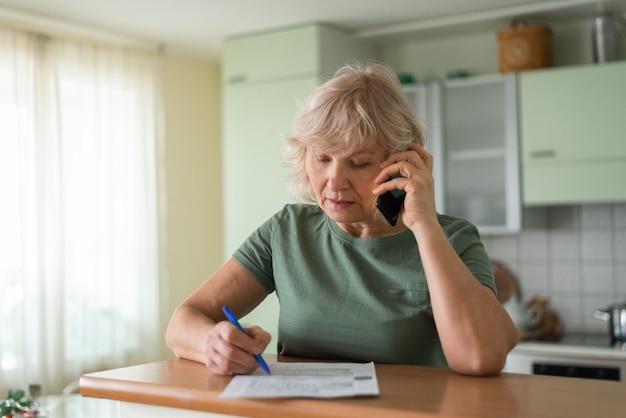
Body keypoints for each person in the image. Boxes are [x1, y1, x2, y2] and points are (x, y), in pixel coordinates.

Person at [166, 61, 518, 377]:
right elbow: (182, 323)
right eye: (322, 158)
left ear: (404, 163)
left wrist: (424, 225)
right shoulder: (287, 230)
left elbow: (479, 358)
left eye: (360, 162)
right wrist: (213, 343)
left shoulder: (453, 239)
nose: (334, 181)